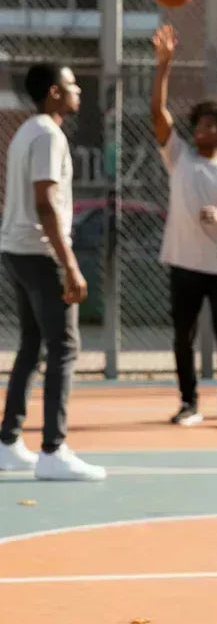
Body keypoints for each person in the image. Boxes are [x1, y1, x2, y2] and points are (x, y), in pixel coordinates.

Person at [0, 64, 105, 480]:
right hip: (40, 253)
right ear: (53, 92)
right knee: (64, 347)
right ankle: (53, 449)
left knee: (32, 345)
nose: (77, 89)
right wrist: (70, 264)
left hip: (17, 249)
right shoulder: (47, 134)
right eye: (70, 84)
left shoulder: (29, 130)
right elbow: (44, 202)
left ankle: (8, 442)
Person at [150, 25, 217, 428]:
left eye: (210, 126)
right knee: (182, 337)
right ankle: (189, 403)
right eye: (199, 124)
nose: (201, 131)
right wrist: (164, 67)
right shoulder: (180, 158)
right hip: (183, 263)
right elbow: (158, 114)